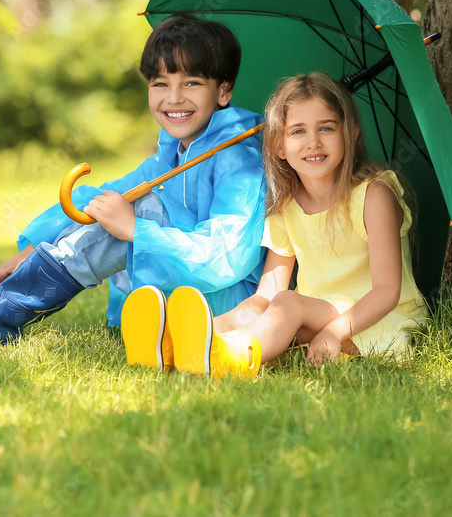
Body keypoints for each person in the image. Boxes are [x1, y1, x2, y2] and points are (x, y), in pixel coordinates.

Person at [0, 14, 267, 345]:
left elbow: (228, 256)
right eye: (160, 83)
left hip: (222, 302)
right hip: (171, 297)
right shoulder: (174, 150)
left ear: (223, 90)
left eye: (191, 83)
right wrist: (34, 252)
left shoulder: (240, 159)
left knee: (141, 209)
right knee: (117, 202)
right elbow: (106, 196)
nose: (173, 98)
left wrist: (136, 230)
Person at [121, 72, 428, 378]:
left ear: (351, 134)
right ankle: (179, 341)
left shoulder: (373, 196)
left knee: (288, 303)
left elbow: (387, 291)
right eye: (297, 131)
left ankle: (234, 359)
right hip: (316, 316)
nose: (313, 142)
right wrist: (226, 320)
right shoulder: (287, 206)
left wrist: (335, 332)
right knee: (266, 304)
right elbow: (267, 294)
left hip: (375, 317)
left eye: (326, 128)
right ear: (279, 146)